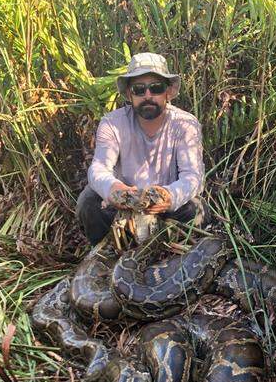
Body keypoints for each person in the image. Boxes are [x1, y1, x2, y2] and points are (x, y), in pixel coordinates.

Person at [78, 52, 207, 245]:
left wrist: (169, 197)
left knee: (196, 208)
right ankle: (106, 255)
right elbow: (98, 169)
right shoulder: (112, 123)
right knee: (88, 200)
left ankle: (182, 259)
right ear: (129, 94)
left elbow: (193, 177)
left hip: (167, 211)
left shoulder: (185, 124)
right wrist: (114, 189)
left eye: (156, 88)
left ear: (168, 92)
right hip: (124, 211)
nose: (148, 96)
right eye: (139, 89)